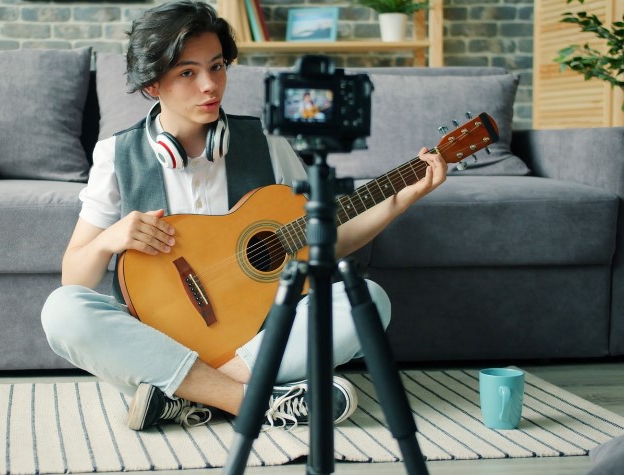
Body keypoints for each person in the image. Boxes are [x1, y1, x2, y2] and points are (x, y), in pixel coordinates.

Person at [41, 0, 447, 431]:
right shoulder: (116, 155)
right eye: (187, 72)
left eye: (217, 67)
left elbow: (319, 238)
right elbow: (74, 278)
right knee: (62, 310)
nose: (210, 85)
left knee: (368, 300)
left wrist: (399, 201)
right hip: (156, 341)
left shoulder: (266, 143)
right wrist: (110, 239)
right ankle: (253, 400)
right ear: (152, 86)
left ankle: (181, 398)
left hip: (254, 340)